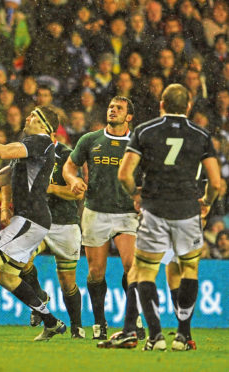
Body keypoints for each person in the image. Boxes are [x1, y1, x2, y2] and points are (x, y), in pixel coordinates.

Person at [116, 84, 220, 351]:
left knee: (144, 271)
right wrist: (206, 202)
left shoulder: (145, 131)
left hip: (155, 209)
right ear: (188, 106)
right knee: (188, 269)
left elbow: (124, 175)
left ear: (161, 104)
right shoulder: (201, 135)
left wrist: (135, 195)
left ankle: (155, 336)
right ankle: (183, 335)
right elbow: (217, 183)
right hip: (187, 211)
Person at [0, 106, 66, 342]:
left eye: (33, 116)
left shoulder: (41, 142)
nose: (28, 117)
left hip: (30, 218)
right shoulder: (27, 152)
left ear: (45, 126)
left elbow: (3, 151)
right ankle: (51, 322)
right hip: (31, 219)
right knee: (6, 277)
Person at [62, 96, 144, 341]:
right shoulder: (91, 140)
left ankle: (133, 319)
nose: (113, 111)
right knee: (96, 272)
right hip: (95, 211)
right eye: (110, 107)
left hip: (127, 213)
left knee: (132, 267)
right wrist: (73, 180)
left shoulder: (138, 142)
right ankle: (100, 321)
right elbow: (69, 166)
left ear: (129, 116)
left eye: (119, 108)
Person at [15, 125, 86, 339]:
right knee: (20, 260)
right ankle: (39, 296)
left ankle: (76, 326)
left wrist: (51, 188)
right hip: (37, 220)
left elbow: (78, 194)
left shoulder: (67, 157)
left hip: (64, 223)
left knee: (67, 282)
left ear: (54, 134)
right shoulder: (28, 151)